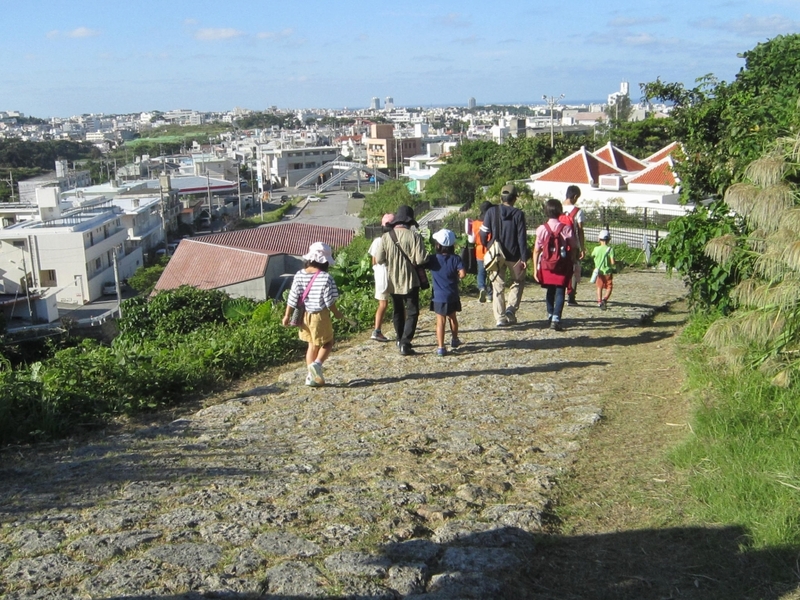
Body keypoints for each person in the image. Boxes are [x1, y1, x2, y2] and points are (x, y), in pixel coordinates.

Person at [282, 242, 347, 387]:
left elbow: (292, 297)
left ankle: (311, 377)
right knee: (328, 343)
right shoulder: (326, 277)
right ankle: (317, 364)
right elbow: (329, 301)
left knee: (311, 345)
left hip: (304, 316)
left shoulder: (299, 275)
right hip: (319, 315)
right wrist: (337, 314)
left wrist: (287, 315)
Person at [375, 205, 430, 356]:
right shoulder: (415, 237)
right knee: (412, 312)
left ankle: (399, 339)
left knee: (398, 311)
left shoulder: (387, 237)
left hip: (393, 281)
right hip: (411, 280)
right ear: (410, 221)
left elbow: (379, 259)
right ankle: (406, 342)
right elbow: (420, 259)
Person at [480, 185, 528, 326]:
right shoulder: (519, 214)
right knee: (518, 282)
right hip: (514, 255)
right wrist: (524, 257)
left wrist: (488, 245)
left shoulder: (491, 212)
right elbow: (522, 238)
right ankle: (511, 309)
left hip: (496, 254)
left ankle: (500, 318)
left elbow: (483, 233)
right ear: (514, 198)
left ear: (501, 197)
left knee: (498, 286)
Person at [532, 199, 577, 331]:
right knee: (560, 291)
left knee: (550, 290)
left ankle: (550, 314)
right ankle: (556, 318)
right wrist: (573, 259)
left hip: (546, 265)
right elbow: (574, 246)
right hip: (562, 264)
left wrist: (535, 268)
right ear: (560, 212)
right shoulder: (566, 228)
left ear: (545, 211)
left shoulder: (541, 229)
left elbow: (536, 250)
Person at [428, 228, 466, 356]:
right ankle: (455, 340)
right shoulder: (456, 259)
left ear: (438, 245)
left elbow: (421, 263)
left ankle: (441, 347)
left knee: (440, 321)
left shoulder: (433, 259)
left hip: (438, 296)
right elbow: (462, 274)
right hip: (452, 294)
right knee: (453, 318)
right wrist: (457, 275)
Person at [369, 213, 394, 342]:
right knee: (399, 302)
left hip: (380, 276)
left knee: (382, 304)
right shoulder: (394, 240)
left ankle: (377, 330)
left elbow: (374, 260)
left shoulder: (377, 241)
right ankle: (402, 326)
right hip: (393, 275)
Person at [561, 185, 585, 306]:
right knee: (573, 268)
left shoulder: (557, 207)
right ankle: (571, 296)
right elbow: (580, 230)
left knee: (559, 268)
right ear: (575, 196)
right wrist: (582, 247)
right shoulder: (577, 211)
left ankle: (558, 292)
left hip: (558, 243)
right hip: (572, 245)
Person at [472, 201, 494, 303]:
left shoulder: (475, 223)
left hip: (479, 250)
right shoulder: (492, 222)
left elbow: (471, 240)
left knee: (481, 272)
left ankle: (482, 288)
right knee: (492, 272)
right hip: (491, 250)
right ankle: (490, 295)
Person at [592, 229, 616, 310]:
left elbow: (593, 256)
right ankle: (604, 300)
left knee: (599, 286)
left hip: (599, 271)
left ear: (599, 239)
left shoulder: (596, 249)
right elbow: (612, 262)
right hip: (608, 272)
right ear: (609, 240)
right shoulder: (610, 249)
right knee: (609, 287)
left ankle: (599, 301)